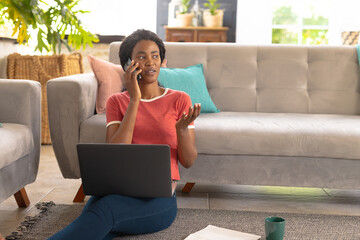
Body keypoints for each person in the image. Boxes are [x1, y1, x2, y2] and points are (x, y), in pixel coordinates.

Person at [48, 29, 201, 240]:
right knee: (97, 219)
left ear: (162, 61)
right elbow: (116, 151)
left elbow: (189, 161)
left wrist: (182, 130)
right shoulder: (117, 102)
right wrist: (135, 100)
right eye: (141, 56)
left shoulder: (180, 99)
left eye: (155, 55)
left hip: (160, 199)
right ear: (128, 63)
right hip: (118, 189)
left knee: (104, 212)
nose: (150, 62)